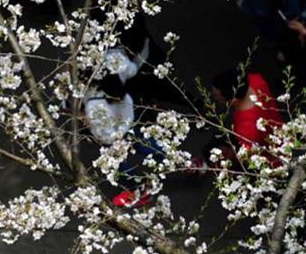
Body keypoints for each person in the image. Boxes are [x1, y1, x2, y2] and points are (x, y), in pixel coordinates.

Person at [82, 73, 203, 207]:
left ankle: (183, 162)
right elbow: (102, 134)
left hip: (123, 132)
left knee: (149, 146)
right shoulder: (94, 106)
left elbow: (128, 118)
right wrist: (117, 142)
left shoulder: (125, 98)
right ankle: (137, 187)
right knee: (117, 162)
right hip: (109, 139)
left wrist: (121, 135)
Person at [210, 69, 285, 163]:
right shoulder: (255, 79)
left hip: (274, 156)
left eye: (217, 97)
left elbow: (247, 157)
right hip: (280, 127)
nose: (213, 96)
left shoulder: (245, 128)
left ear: (233, 99)